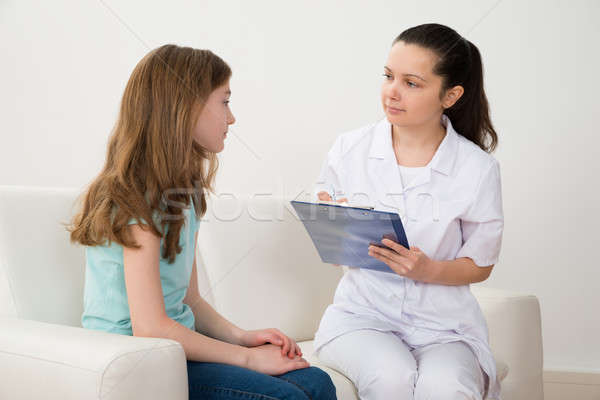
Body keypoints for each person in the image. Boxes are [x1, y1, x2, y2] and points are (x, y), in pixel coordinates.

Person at [69, 44, 336, 400]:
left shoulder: (182, 194)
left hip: (175, 351)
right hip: (137, 360)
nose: (232, 118)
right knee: (288, 396)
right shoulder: (133, 198)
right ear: (187, 108)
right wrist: (248, 359)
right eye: (224, 102)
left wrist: (243, 337)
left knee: (317, 382)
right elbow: (150, 327)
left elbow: (189, 301)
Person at [313, 23, 503, 400]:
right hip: (362, 318)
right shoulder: (349, 149)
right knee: (392, 376)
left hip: (444, 327)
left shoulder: (477, 168)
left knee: (445, 388)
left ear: (450, 96)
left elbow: (480, 264)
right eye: (388, 76)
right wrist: (337, 229)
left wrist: (428, 270)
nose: (392, 92)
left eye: (412, 83)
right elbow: (333, 249)